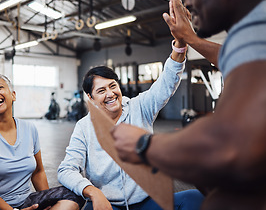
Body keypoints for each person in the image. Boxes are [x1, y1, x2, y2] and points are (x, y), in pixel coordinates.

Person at [111, 0, 266, 209]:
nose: (188, 0)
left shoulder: (259, 27)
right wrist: (190, 39)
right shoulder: (257, 31)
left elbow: (228, 144)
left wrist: (144, 145)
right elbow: (230, 57)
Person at [58, 46, 204, 209]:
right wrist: (93, 192)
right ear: (91, 98)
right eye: (101, 90)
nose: (110, 94)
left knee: (194, 198)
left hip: (147, 201)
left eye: (112, 86)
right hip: (109, 204)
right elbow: (66, 169)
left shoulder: (140, 107)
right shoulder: (84, 127)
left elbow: (167, 82)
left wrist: (180, 46)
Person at [0, 73, 85, 210]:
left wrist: (47, 202)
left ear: (13, 95)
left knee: (75, 194)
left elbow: (38, 171)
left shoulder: (29, 128)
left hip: (26, 202)